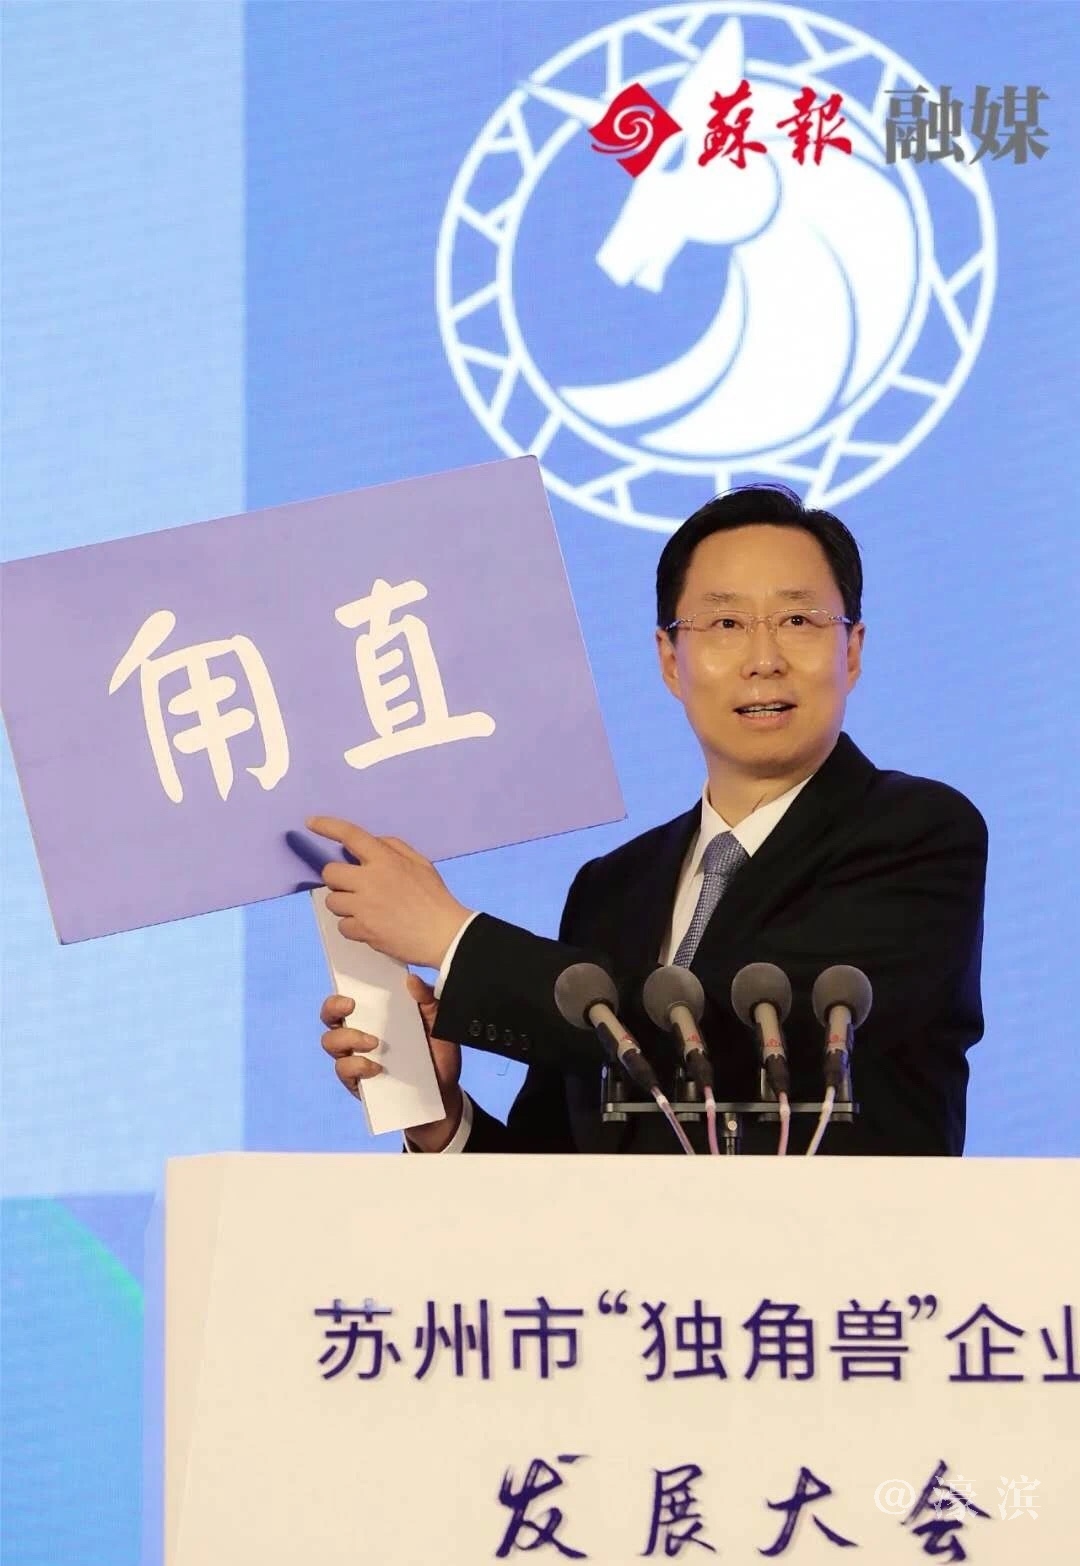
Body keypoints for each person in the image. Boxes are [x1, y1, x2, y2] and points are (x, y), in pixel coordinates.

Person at [311, 485, 987, 1156]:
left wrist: (453, 940)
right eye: (725, 624)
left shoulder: (917, 833)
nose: (764, 659)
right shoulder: (612, 888)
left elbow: (738, 1041)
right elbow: (556, 1172)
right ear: (670, 661)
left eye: (798, 620)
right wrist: (441, 1116)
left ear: (852, 651)